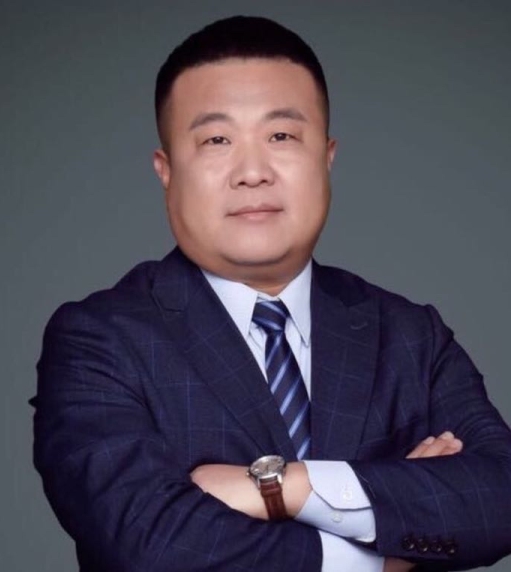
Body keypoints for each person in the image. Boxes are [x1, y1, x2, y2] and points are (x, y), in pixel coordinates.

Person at [31, 15, 511, 572]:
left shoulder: (410, 334)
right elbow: (151, 544)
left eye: (281, 136)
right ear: (166, 171)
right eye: (216, 140)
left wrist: (282, 486)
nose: (253, 172)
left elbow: (499, 497)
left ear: (326, 156)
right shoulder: (100, 339)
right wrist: (379, 556)